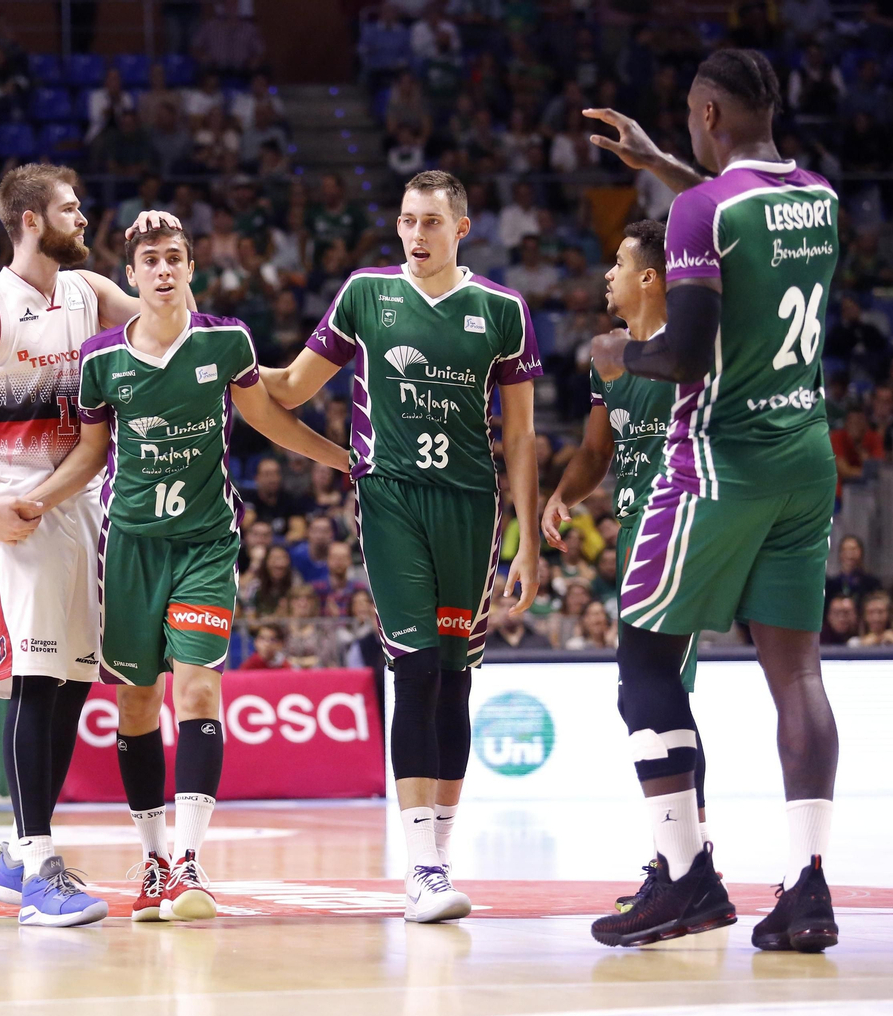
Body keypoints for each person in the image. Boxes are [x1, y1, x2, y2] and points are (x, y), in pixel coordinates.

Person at [4, 224, 349, 924]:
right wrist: (32, 500)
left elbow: (269, 419)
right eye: (149, 261)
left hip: (205, 543)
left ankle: (190, 862)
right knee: (137, 705)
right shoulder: (102, 358)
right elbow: (91, 454)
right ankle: (155, 858)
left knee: (196, 690)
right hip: (130, 548)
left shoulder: (227, 342)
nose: (162, 270)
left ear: (192, 269)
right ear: (131, 276)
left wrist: (345, 460)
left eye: (173, 259)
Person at [586, 49, 842, 952]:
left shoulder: (701, 211)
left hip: (720, 462)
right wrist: (658, 162)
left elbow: (685, 353)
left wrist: (621, 355)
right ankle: (809, 886)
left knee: (644, 661)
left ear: (706, 113)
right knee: (798, 676)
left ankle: (686, 873)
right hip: (806, 456)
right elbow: (736, 216)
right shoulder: (819, 196)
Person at [262, 169, 543, 925]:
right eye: (408, 220)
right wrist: (223, 355)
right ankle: (419, 865)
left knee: (455, 679)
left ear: (462, 229)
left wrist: (527, 542)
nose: (417, 234)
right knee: (414, 668)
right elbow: (291, 387)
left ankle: (439, 859)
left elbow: (520, 438)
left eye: (431, 222)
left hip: (472, 508)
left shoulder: (502, 310)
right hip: (389, 497)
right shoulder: (365, 294)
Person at [0, 162, 183, 928]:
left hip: (81, 504)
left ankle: (15, 852)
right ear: (31, 220)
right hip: (18, 513)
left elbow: (177, 324)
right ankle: (40, 867)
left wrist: (160, 249)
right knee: (37, 681)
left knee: (71, 684)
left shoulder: (91, 291)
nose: (84, 217)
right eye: (71, 208)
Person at [542, 220, 713, 900]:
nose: (606, 274)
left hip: (684, 527)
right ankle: (686, 856)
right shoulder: (607, 357)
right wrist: (563, 495)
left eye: (618, 263)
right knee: (661, 696)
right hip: (634, 533)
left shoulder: (691, 349)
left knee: (649, 692)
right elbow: (595, 451)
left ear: (650, 276)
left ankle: (684, 863)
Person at [826, 535, 882, 601]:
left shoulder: (872, 583)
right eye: (844, 550)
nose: (849, 554)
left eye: (853, 549)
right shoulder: (831, 585)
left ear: (861, 552)